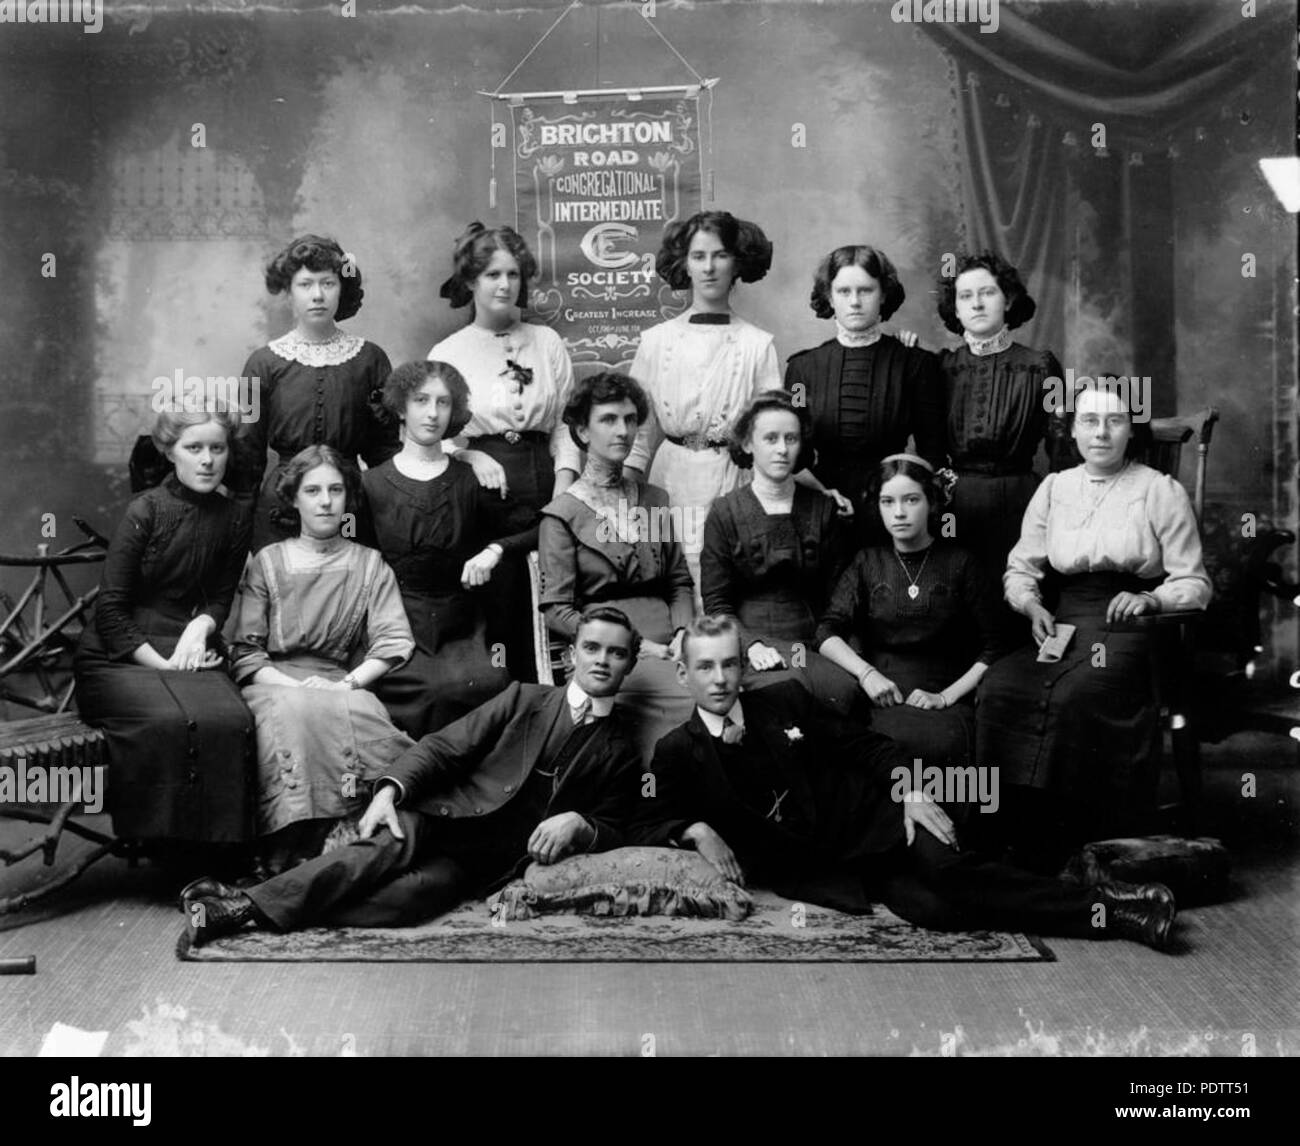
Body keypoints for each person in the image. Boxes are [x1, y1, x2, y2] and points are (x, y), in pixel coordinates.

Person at [631, 616, 1178, 950]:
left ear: (742, 668)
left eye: (729, 665)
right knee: (936, 911)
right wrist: (697, 829)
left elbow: (865, 745)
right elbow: (649, 819)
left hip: (882, 812)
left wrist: (910, 791)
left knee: (971, 846)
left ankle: (1111, 908)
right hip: (848, 866)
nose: (720, 679)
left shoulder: (784, 700)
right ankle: (1063, 871)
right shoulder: (677, 751)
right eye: (705, 668)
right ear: (684, 674)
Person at [181, 607, 644, 942]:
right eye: (592, 647)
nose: (602, 660)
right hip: (442, 813)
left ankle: (254, 896)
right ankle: (238, 910)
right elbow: (445, 747)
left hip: (484, 863)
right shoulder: (524, 698)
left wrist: (581, 825)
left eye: (616, 653)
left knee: (404, 904)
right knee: (377, 854)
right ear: (572, 655)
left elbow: (618, 826)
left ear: (630, 663)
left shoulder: (622, 748)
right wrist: (389, 791)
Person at [976, 384, 1212, 870]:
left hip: (1133, 628)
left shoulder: (1159, 490)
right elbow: (1021, 568)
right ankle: (1014, 834)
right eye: (1089, 421)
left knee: (1075, 694)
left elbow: (1194, 581)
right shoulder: (1054, 488)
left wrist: (1151, 598)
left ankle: (1080, 839)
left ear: (1132, 430)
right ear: (1073, 430)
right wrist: (1029, 604)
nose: (1101, 433)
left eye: (1114, 420)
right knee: (1000, 686)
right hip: (1065, 622)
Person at [228, 445, 416, 872]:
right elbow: (246, 652)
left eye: (336, 489)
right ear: (294, 499)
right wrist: (293, 686)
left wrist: (344, 685)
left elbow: (393, 641)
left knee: (361, 714)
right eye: (313, 490)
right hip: (274, 684)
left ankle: (347, 841)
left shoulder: (369, 564)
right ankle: (291, 846)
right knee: (291, 714)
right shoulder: (268, 563)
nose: (326, 500)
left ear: (349, 497)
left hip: (339, 682)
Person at [74, 406, 255, 847]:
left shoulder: (234, 517)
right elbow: (111, 610)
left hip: (187, 648)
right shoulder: (146, 509)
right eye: (194, 448)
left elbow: (220, 596)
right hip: (120, 656)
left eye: (217, 448)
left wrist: (199, 629)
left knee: (231, 719)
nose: (207, 460)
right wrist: (164, 665)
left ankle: (216, 853)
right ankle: (161, 847)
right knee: (168, 721)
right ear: (171, 453)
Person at [428, 222, 582, 679]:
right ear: (471, 281)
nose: (505, 284)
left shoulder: (547, 342)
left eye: (513, 274)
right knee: (503, 602)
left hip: (546, 484)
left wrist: (565, 492)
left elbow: (565, 428)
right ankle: (508, 702)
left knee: (557, 597)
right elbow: (436, 437)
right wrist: (471, 456)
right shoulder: (449, 351)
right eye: (493, 274)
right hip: (484, 495)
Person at [538, 372, 695, 763]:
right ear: (582, 431)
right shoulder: (561, 515)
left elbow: (678, 581)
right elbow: (557, 611)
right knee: (690, 705)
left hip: (674, 646)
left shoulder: (655, 499)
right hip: (615, 654)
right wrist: (639, 646)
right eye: (608, 420)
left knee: (725, 689)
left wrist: (682, 635)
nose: (623, 430)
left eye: (629, 419)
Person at [359, 361, 521, 738]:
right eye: (421, 400)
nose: (432, 413)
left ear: (455, 411)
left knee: (491, 683)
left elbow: (532, 527)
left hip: (464, 626)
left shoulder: (471, 477)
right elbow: (356, 555)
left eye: (443, 403)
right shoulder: (371, 485)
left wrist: (494, 550)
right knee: (427, 691)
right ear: (401, 407)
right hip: (396, 624)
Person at [817, 454, 1009, 772]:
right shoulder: (867, 562)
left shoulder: (960, 563)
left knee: (945, 753)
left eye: (911, 500)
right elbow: (826, 631)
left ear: (931, 502)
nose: (899, 513)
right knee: (867, 755)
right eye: (887, 501)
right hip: (878, 697)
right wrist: (867, 675)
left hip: (944, 702)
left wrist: (946, 697)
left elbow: (998, 644)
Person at [625, 211, 781, 597]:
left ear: (738, 262)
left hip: (733, 477)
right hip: (671, 476)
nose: (709, 267)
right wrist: (624, 495)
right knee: (675, 581)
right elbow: (638, 432)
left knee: (727, 582)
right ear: (684, 264)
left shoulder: (757, 344)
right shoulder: (656, 342)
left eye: (720, 255)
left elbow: (772, 431)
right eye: (698, 256)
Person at [699, 390, 858, 712]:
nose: (782, 449)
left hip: (815, 640)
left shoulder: (823, 509)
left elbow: (840, 598)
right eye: (770, 438)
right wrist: (751, 645)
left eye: (791, 438)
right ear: (747, 444)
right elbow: (717, 603)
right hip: (750, 642)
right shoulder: (724, 512)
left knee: (844, 693)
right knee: (780, 695)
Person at [238, 234, 398, 550]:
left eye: (328, 283)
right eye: (305, 284)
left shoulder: (370, 359)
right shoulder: (262, 363)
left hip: (349, 502)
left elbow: (384, 451)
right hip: (282, 505)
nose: (317, 295)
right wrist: (241, 539)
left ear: (342, 289)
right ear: (288, 293)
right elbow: (248, 457)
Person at [783, 244, 945, 540]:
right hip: (822, 509)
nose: (855, 302)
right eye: (844, 291)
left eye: (866, 290)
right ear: (829, 296)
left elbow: (932, 453)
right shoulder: (802, 370)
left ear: (883, 294)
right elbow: (796, 457)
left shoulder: (915, 364)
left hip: (893, 513)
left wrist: (903, 501)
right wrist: (822, 496)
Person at [933, 251, 1069, 574]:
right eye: (966, 296)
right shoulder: (942, 368)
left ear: (1008, 300)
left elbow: (1061, 448)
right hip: (956, 505)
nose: (977, 304)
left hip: (1022, 503)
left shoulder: (1041, 366)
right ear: (956, 308)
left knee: (1018, 590)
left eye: (988, 292)